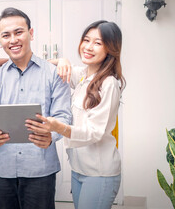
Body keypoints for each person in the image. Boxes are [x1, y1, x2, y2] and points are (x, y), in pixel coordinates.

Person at [0, 7, 72, 209]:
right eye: (6, 35)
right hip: (0, 169)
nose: (13, 40)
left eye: (18, 32)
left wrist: (52, 134)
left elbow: (64, 116)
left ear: (31, 33)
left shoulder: (55, 74)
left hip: (40, 169)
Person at [26, 20, 126, 209]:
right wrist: (62, 60)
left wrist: (58, 127)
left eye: (98, 43)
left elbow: (94, 132)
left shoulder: (109, 83)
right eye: (86, 40)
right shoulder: (82, 75)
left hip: (99, 173)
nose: (88, 47)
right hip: (78, 170)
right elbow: (40, 65)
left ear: (110, 49)